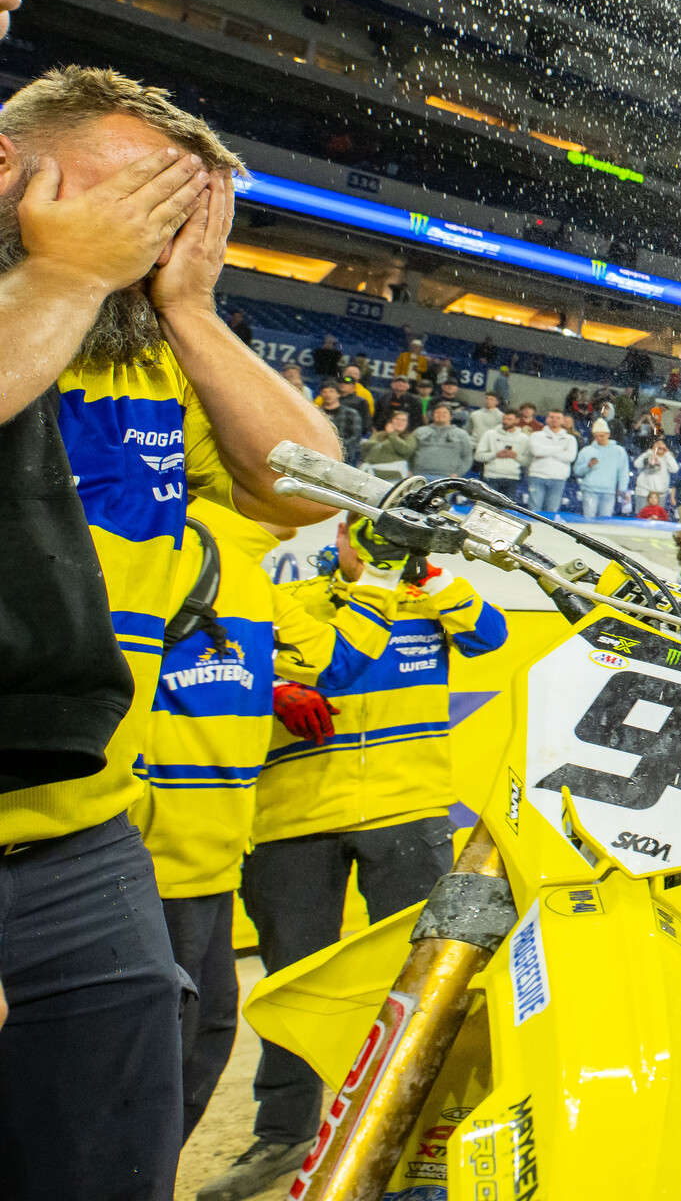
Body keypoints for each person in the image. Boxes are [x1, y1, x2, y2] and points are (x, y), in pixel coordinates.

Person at [0, 38, 338, 1200]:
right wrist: (66, 275)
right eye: (132, 197)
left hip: (108, 837)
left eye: (175, 214)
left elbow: (305, 480)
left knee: (118, 1148)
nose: (149, 231)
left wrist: (186, 301)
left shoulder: (146, 365)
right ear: (11, 175)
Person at [216, 514, 507, 1200]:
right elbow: (235, 668)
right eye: (365, 535)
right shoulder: (294, 598)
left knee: (425, 979)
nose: (377, 548)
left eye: (391, 537)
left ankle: (416, 1136)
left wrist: (432, 576)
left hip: (406, 813)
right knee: (292, 978)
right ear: (341, 536)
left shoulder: (431, 597)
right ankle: (285, 1134)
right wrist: (274, 693)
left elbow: (490, 636)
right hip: (295, 816)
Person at [129, 499, 291, 1146]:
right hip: (164, 854)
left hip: (214, 851)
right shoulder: (181, 542)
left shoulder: (246, 562)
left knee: (210, 1029)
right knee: (157, 1055)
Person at [523, 408, 578, 516]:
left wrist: (546, 450)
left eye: (558, 418)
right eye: (552, 417)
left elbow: (570, 457)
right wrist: (559, 449)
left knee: (551, 512)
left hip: (558, 479)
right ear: (547, 419)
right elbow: (536, 451)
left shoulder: (570, 439)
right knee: (534, 510)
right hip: (538, 476)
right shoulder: (536, 435)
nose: (554, 420)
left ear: (563, 421)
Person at [574, 421, 630, 519]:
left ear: (608, 434)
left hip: (609, 492)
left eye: (602, 436)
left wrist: (622, 489)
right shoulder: (587, 451)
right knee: (588, 520)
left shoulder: (619, 451)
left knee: (605, 522)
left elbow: (623, 472)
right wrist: (588, 466)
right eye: (596, 436)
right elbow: (577, 471)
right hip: (590, 490)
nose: (599, 439)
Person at [410, 402, 476, 481]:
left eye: (444, 412)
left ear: (451, 416)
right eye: (437, 412)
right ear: (432, 415)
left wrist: (457, 473)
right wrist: (409, 470)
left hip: (446, 478)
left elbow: (467, 456)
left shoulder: (461, 434)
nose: (441, 415)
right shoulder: (419, 431)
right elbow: (409, 452)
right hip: (419, 476)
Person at [477, 416, 527, 502]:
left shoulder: (524, 438)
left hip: (512, 478)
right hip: (492, 476)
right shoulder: (490, 434)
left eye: (509, 419)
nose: (505, 421)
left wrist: (516, 456)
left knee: (506, 510)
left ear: (517, 420)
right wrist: (495, 455)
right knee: (487, 505)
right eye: (504, 419)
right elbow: (478, 456)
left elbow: (528, 461)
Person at [361, 409, 417, 481]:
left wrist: (392, 434)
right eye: (397, 419)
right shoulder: (380, 434)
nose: (400, 422)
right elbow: (367, 447)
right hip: (373, 475)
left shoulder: (409, 437)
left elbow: (406, 450)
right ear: (391, 421)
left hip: (394, 477)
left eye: (403, 420)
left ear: (407, 423)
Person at [634, 439, 676, 515]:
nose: (659, 445)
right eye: (657, 443)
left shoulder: (667, 458)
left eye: (662, 444)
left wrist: (667, 454)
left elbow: (674, 469)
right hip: (644, 493)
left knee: (657, 518)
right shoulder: (647, 455)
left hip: (660, 495)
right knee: (641, 517)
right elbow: (637, 464)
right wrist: (648, 454)